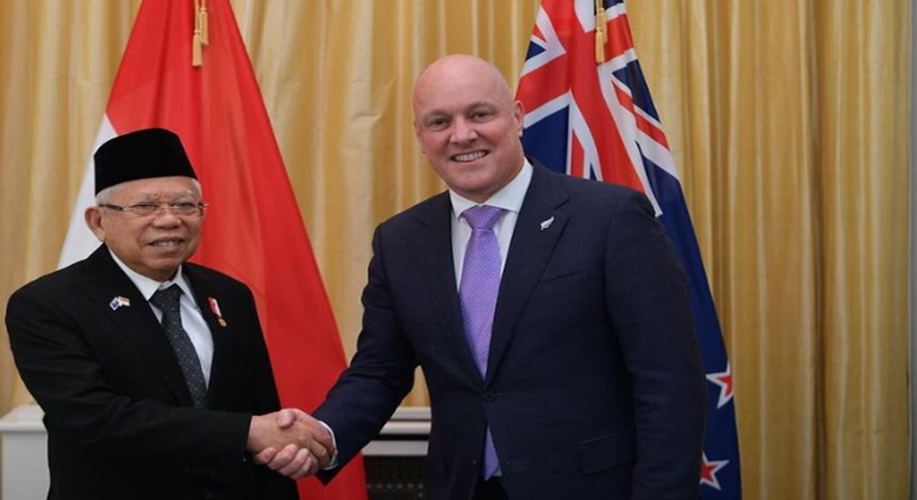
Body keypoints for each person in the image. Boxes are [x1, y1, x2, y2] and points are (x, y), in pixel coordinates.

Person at [259, 55, 706, 498]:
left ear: (515, 117)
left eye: (479, 114)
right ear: (420, 136)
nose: (462, 135)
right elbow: (381, 370)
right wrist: (321, 435)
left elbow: (668, 382)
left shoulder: (609, 219)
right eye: (439, 122)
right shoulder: (401, 242)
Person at [6, 128, 329, 499]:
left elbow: (259, 408)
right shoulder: (48, 303)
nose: (169, 220)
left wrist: (280, 452)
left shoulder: (230, 295)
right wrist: (247, 432)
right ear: (98, 222)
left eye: (185, 205)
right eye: (146, 207)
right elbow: (93, 419)